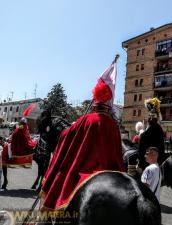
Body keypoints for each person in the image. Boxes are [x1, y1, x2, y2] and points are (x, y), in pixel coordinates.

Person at [41, 57, 125, 210]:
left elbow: (65, 136)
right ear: (108, 102)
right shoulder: (113, 125)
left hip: (85, 171)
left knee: (67, 179)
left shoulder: (86, 120)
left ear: (95, 100)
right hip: (112, 171)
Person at [139, 97, 165, 169]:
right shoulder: (159, 128)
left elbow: (141, 148)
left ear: (150, 118)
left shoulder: (149, 129)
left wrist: (141, 134)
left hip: (148, 162)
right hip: (159, 160)